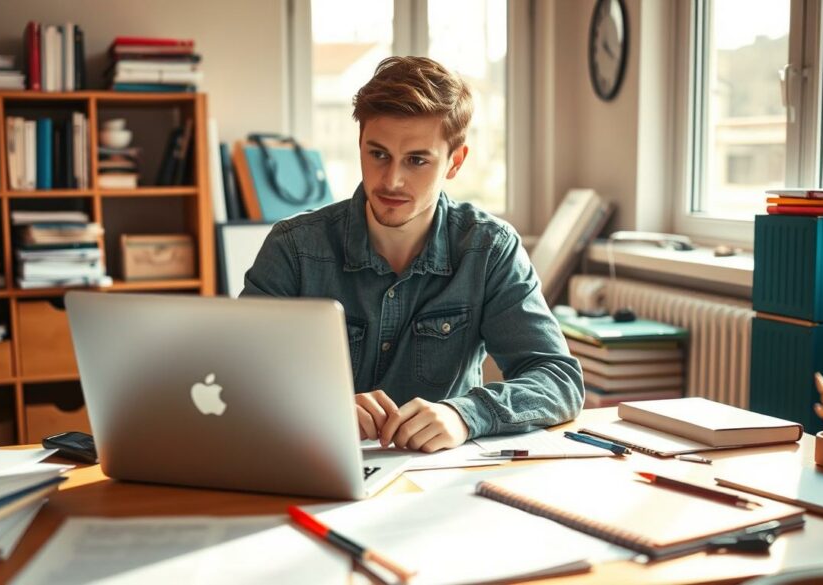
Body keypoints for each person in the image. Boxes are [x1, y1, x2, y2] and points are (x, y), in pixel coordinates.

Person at [242, 56, 583, 453]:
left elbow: (557, 378)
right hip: (313, 462)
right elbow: (238, 373)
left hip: (437, 480)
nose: (392, 180)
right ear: (360, 146)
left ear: (455, 162)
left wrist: (466, 415)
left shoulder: (489, 249)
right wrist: (319, 407)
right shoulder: (294, 247)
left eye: (417, 160)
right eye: (378, 154)